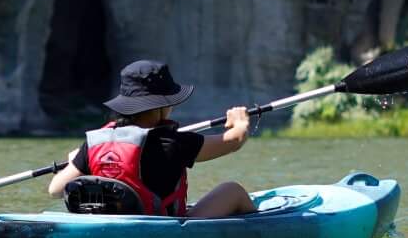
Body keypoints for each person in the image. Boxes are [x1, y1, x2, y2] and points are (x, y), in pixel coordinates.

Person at [49, 58, 255, 218]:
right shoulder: (171, 142)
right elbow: (233, 141)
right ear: (161, 106)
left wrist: (74, 164)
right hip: (164, 227)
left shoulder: (95, 142)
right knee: (232, 190)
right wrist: (240, 122)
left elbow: (55, 190)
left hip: (109, 224)